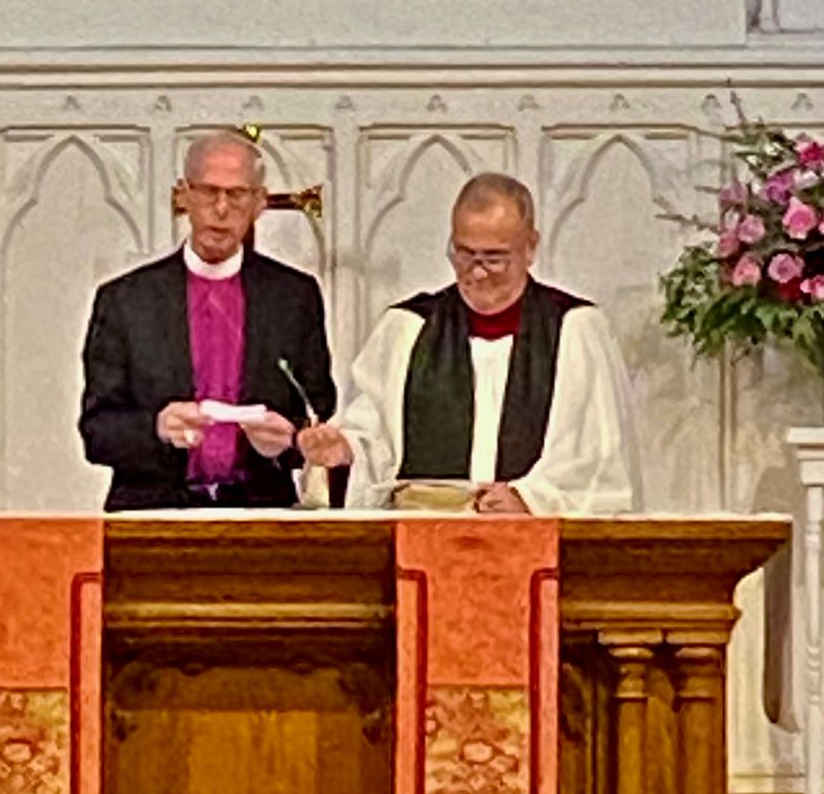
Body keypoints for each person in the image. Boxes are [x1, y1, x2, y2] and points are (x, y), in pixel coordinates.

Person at [299, 173, 640, 514]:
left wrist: (530, 499)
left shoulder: (575, 330)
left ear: (530, 247)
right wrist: (344, 453)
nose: (477, 273)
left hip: (530, 537)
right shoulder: (407, 328)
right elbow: (373, 443)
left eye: (494, 258)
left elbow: (597, 460)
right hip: (424, 532)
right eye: (464, 254)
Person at [80, 131, 336, 510]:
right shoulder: (126, 300)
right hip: (152, 510)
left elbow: (319, 408)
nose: (221, 209)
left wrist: (290, 440)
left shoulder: (293, 297)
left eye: (237, 195)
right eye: (208, 192)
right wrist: (157, 428)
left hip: (262, 511)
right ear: (183, 195)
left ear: (259, 203)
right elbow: (97, 432)